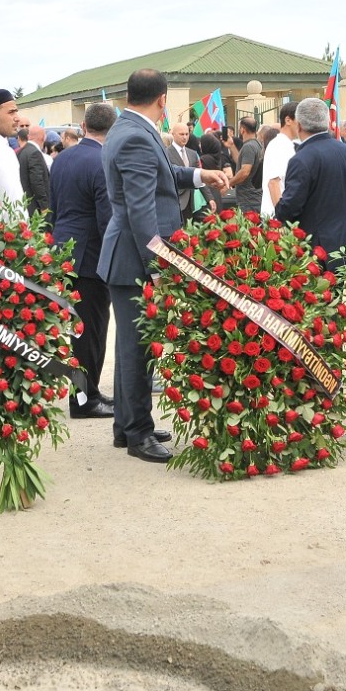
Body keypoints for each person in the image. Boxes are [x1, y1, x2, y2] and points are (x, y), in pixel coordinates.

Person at [98, 68, 228, 462]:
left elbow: (162, 175)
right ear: (162, 100)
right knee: (138, 348)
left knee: (131, 346)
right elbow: (141, 209)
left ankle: (128, 424)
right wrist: (157, 264)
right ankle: (137, 433)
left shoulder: (129, 128)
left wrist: (198, 173)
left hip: (128, 253)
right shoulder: (137, 135)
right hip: (135, 256)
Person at [49, 103, 117, 421]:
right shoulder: (102, 161)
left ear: (85, 126)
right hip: (90, 258)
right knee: (90, 333)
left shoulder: (63, 157)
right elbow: (107, 220)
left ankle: (87, 392)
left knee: (80, 334)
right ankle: (84, 400)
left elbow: (52, 208)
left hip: (65, 253)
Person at [275, 97, 346, 266]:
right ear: (328, 122)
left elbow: (291, 206)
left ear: (299, 124)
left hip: (315, 247)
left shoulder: (302, 159)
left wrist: (279, 211)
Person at [259, 103, 298, 220]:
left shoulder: (288, 144)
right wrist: (282, 217)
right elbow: (273, 183)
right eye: (300, 120)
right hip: (277, 218)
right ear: (288, 120)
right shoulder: (279, 145)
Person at [228, 118, 263, 214]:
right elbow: (241, 160)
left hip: (249, 200)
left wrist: (229, 183)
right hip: (253, 199)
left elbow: (245, 172)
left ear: (242, 129)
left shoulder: (249, 146)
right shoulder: (256, 144)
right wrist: (231, 146)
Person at [16, 124, 52, 217]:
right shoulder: (34, 153)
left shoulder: (21, 152)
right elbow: (37, 181)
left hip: (24, 205)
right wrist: (44, 206)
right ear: (43, 138)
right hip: (36, 209)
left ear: (29, 137)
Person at [168, 123, 200, 221]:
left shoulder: (193, 154)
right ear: (173, 134)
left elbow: (198, 175)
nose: (185, 137)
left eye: (187, 134)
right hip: (174, 201)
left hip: (190, 203)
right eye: (181, 134)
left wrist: (210, 198)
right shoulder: (166, 153)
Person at [196, 132, 230, 215]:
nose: (200, 146)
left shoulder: (204, 159)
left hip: (207, 192)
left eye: (202, 143)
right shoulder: (218, 157)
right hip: (216, 192)